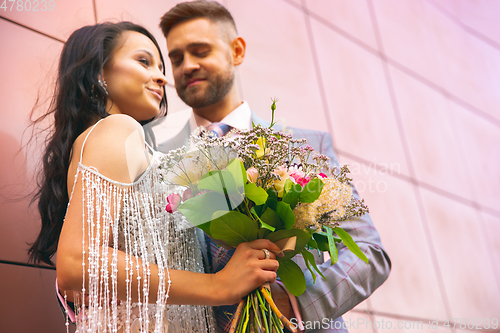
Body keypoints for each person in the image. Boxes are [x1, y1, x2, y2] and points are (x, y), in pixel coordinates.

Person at [144, 1, 392, 332]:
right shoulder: (156, 156)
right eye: (176, 59)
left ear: (237, 51)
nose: (187, 66)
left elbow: (369, 252)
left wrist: (295, 304)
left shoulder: (306, 147)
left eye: (200, 51)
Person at [28, 21, 282, 333]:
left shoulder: (135, 149)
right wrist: (217, 286)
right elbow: (77, 263)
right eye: (143, 61)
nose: (162, 76)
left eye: (161, 66)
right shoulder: (117, 130)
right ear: (99, 73)